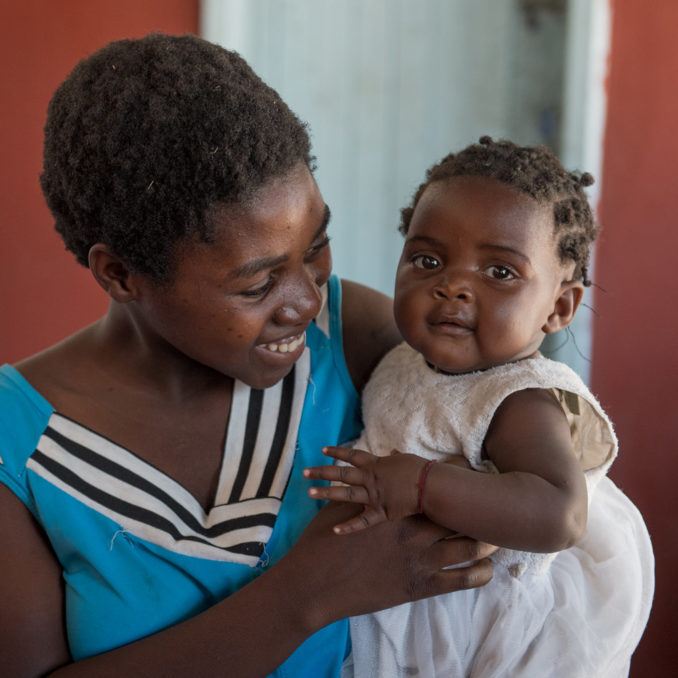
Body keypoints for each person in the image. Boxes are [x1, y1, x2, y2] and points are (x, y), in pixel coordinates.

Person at [0, 35, 498, 677]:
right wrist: (307, 592)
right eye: (257, 284)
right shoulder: (18, 447)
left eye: (316, 247)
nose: (304, 301)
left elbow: (533, 435)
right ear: (121, 274)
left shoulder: (357, 337)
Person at [305, 138, 654, 677]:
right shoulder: (402, 360)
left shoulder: (520, 398)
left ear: (559, 307)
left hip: (485, 631)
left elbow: (560, 513)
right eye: (428, 260)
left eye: (499, 273)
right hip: (407, 605)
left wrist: (422, 485)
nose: (452, 287)